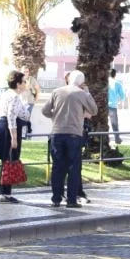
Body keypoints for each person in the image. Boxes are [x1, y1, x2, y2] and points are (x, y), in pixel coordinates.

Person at [42, 69, 97, 208]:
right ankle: (71, 200)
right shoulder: (82, 94)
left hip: (57, 133)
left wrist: (55, 116)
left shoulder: (57, 91)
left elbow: (45, 110)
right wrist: (88, 93)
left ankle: (56, 198)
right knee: (73, 168)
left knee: (57, 167)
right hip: (74, 134)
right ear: (81, 82)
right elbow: (94, 110)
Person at [0, 70, 30, 203]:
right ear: (18, 84)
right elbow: (11, 117)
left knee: (7, 161)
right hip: (9, 130)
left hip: (5, 128)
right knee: (8, 160)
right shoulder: (13, 96)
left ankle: (4, 192)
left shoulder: (8, 94)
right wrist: (14, 138)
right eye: (24, 81)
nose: (26, 84)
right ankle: (4, 193)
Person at [107, 69, 125, 145]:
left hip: (103, 105)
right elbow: (122, 96)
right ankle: (117, 139)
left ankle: (103, 138)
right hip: (112, 105)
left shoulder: (105, 83)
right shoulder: (117, 83)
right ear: (115, 75)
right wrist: (120, 100)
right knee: (114, 123)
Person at [21, 72, 40, 140]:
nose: (25, 73)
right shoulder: (19, 79)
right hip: (21, 102)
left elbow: (37, 89)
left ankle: (27, 134)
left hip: (30, 102)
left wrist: (36, 98)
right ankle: (24, 134)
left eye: (27, 71)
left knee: (27, 117)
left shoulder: (32, 79)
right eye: (24, 71)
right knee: (21, 118)